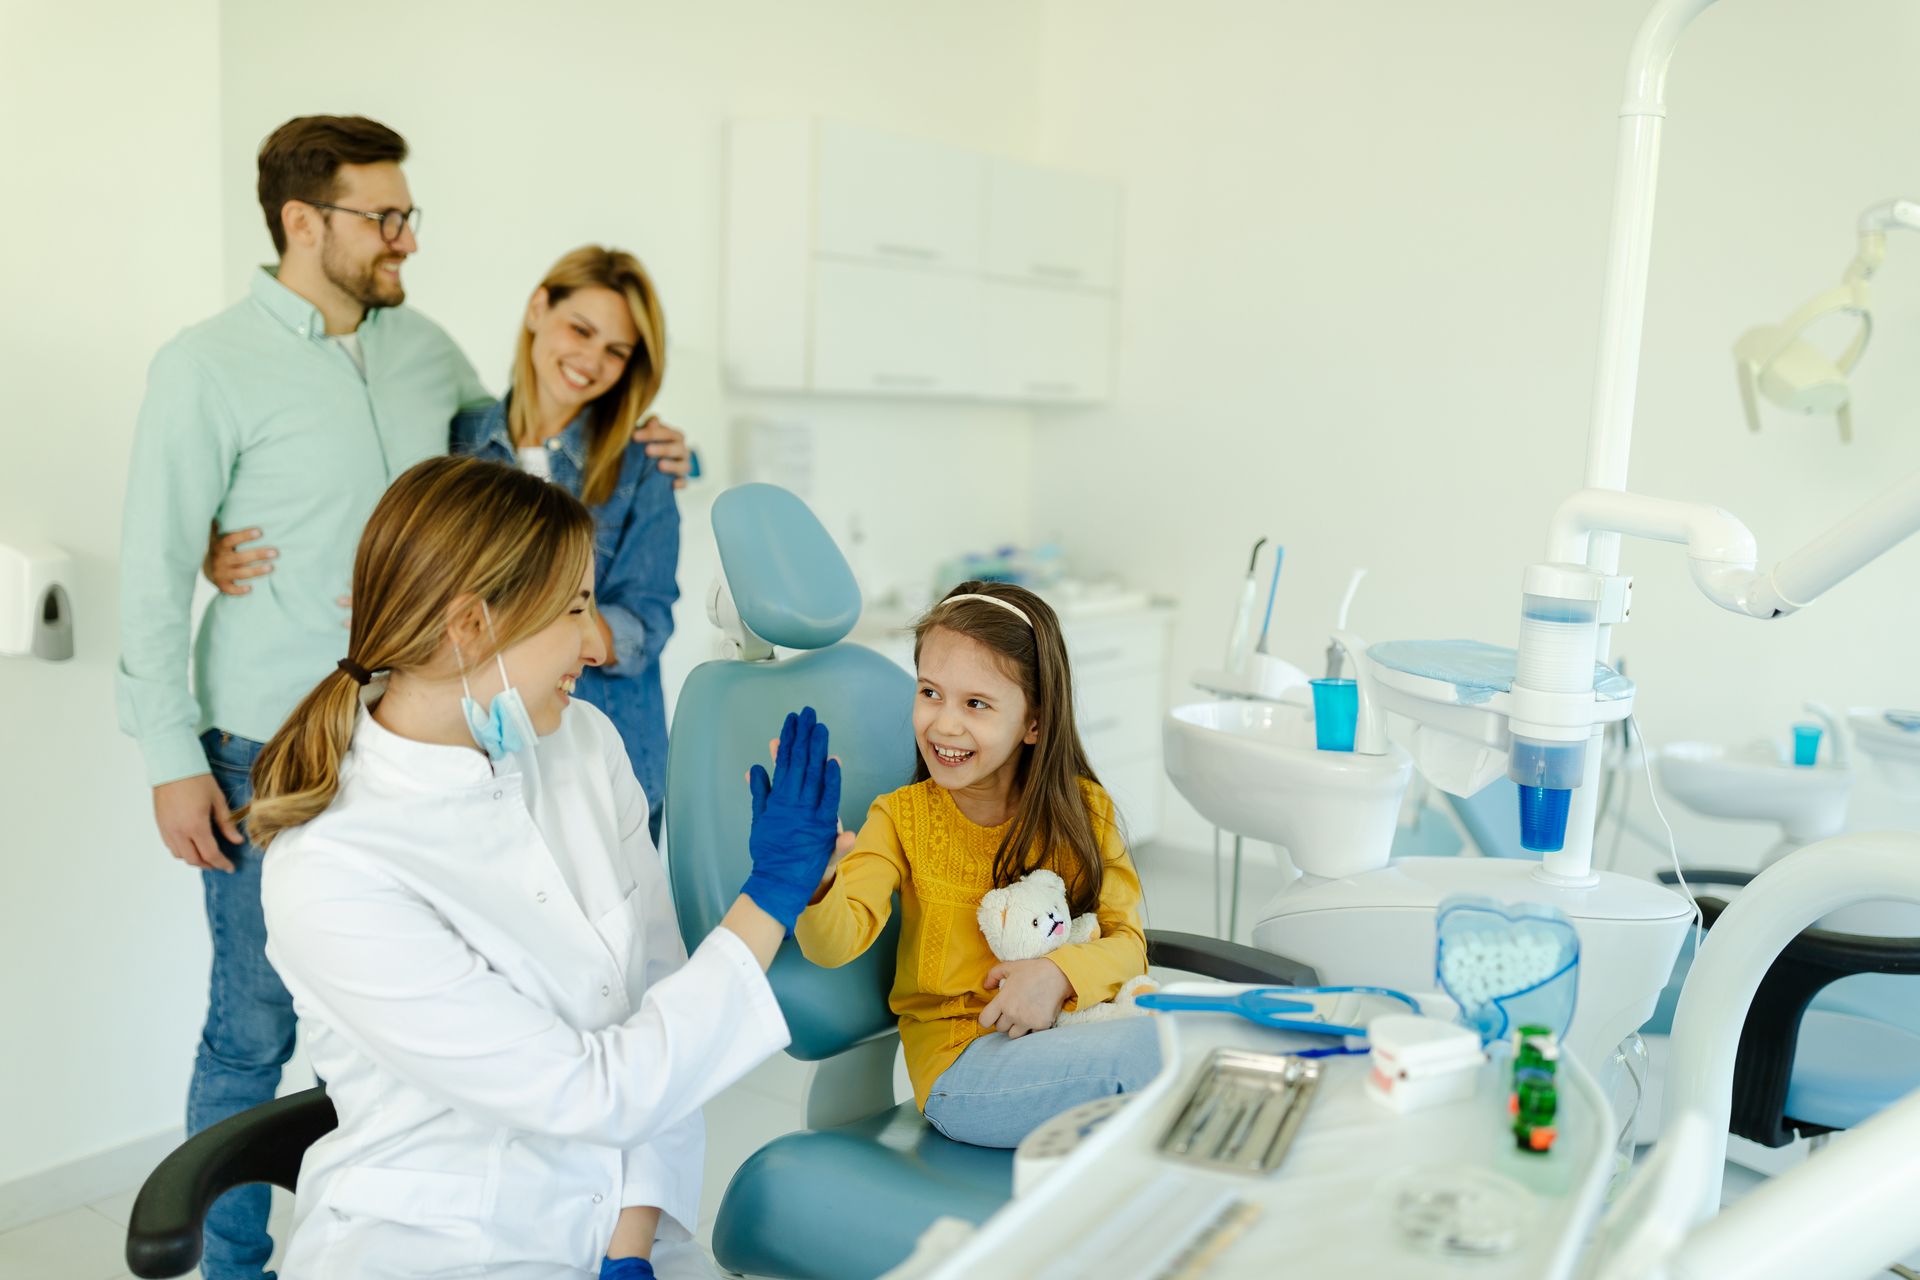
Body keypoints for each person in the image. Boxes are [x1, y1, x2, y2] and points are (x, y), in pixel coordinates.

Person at [116, 113, 689, 1278]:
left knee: (390, 1033)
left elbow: (520, 476)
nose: (406, 241)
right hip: (258, 740)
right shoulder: (204, 363)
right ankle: (230, 1268)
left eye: (408, 217)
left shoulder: (429, 356)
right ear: (302, 222)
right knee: (252, 1028)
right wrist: (171, 753)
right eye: (385, 219)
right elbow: (150, 568)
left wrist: (663, 443)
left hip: (421, 738)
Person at [245, 455, 840, 1279]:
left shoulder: (584, 744)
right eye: (575, 608)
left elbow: (660, 1001)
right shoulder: (335, 869)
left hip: (625, 1232)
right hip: (442, 1251)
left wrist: (627, 1250)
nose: (600, 643)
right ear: (470, 628)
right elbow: (595, 1090)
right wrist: (768, 897)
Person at [209, 245, 684, 841]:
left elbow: (646, 624)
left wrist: (526, 623)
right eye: (580, 330)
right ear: (539, 309)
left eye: (617, 351)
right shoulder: (456, 439)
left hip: (602, 748)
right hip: (470, 755)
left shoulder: (643, 463)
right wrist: (213, 542)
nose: (591, 360)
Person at [794, 582, 1160, 1148]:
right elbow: (833, 944)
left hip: (1071, 1035)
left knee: (1196, 1040)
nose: (944, 724)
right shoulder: (900, 818)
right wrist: (816, 878)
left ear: (1034, 723)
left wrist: (1058, 974)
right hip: (962, 1067)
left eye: (976, 704)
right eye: (930, 693)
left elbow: (1128, 942)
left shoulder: (1087, 811)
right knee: (1161, 1057)